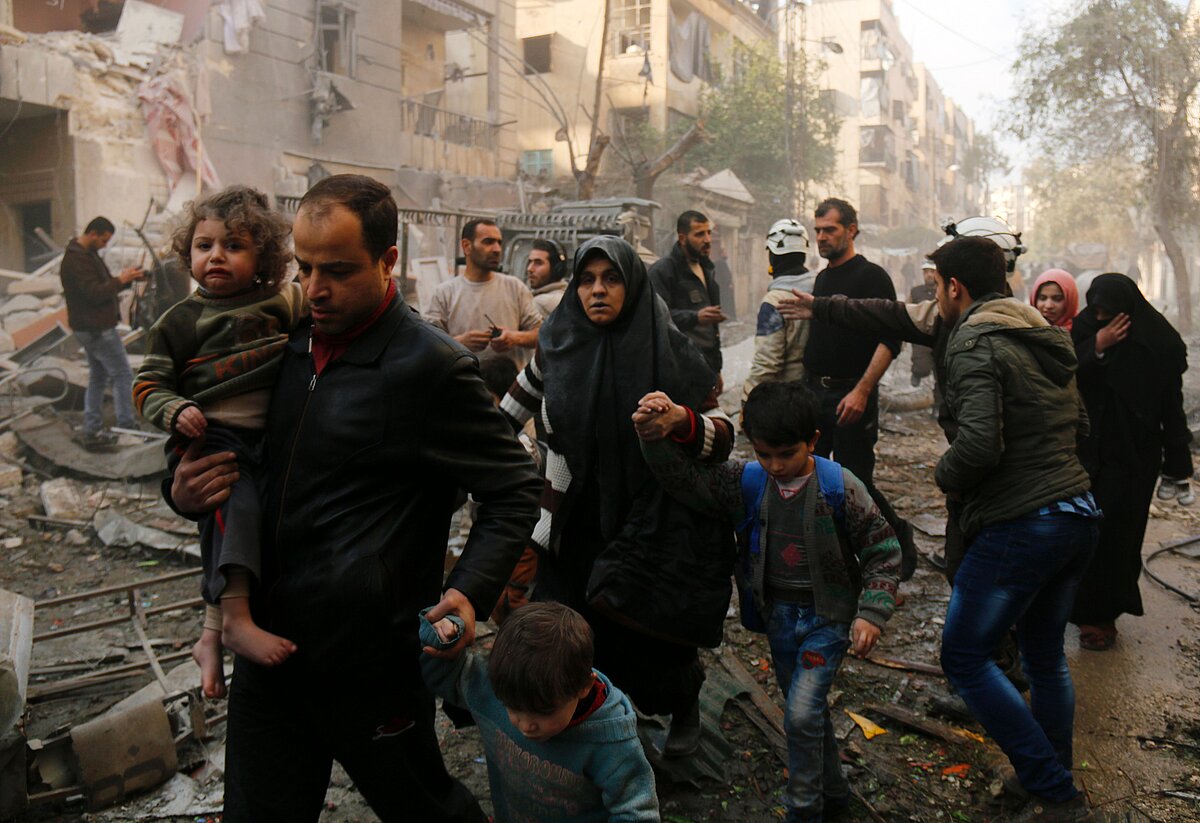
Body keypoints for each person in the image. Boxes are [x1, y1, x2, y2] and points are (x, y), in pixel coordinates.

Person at [167, 174, 542, 823]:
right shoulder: (272, 348)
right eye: (306, 267)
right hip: (270, 660)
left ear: (387, 260)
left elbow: (512, 487)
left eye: (336, 270)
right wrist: (180, 489)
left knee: (427, 809)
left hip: (373, 666)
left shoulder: (430, 367)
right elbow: (217, 450)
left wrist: (470, 590)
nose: (314, 288)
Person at [499, 235, 734, 758]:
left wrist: (683, 423)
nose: (597, 291)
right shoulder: (556, 342)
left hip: (650, 520)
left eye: (612, 279)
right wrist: (513, 461)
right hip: (571, 518)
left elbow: (724, 437)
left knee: (652, 632)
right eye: (587, 279)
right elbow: (504, 418)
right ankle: (595, 727)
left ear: (634, 285)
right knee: (569, 623)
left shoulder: (670, 349)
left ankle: (682, 704)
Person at [635, 380, 900, 823]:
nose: (775, 466)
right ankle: (835, 794)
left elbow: (882, 549)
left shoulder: (840, 487)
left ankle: (803, 810)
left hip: (826, 619)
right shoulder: (750, 481)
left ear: (813, 441)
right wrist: (655, 436)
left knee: (798, 715)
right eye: (765, 454)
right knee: (806, 711)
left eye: (786, 454)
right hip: (778, 619)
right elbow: (687, 482)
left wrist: (871, 612)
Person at [930, 236, 1098, 821]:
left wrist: (942, 474)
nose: (936, 295)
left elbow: (977, 444)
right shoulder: (1044, 333)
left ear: (955, 286)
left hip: (1023, 522)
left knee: (964, 657)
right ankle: (1051, 775)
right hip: (1076, 511)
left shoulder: (974, 336)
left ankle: (1054, 789)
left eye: (936, 284)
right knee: (1045, 655)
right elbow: (1078, 422)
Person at [134, 186, 306, 698]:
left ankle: (209, 637)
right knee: (239, 511)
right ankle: (233, 621)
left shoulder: (286, 301)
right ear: (187, 254)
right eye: (204, 246)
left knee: (245, 529)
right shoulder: (179, 321)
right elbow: (146, 385)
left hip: (266, 440)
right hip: (210, 436)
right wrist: (176, 409)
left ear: (265, 259)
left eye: (233, 246)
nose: (216, 256)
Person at [420, 602, 659, 822]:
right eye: (512, 709)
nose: (525, 725)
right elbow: (442, 673)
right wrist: (446, 635)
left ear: (584, 687)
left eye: (543, 712)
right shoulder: (499, 689)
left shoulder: (611, 743)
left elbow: (636, 811)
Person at [1070, 274, 1192, 651]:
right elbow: (1060, 373)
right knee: (1079, 535)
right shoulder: (1084, 329)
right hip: (1084, 453)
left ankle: (1101, 617)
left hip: (1134, 459)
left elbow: (1171, 409)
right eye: (1098, 310)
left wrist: (1177, 464)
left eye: (1110, 312)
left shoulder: (1158, 342)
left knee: (1118, 539)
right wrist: (1098, 347)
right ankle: (1075, 607)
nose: (1102, 317)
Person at [59, 216, 145, 448]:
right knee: (123, 374)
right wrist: (121, 280)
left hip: (89, 327)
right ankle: (126, 427)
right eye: (104, 240)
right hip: (96, 328)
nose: (106, 245)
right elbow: (94, 293)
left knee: (98, 377)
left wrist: (126, 279)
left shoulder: (86, 255)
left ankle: (92, 428)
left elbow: (103, 285)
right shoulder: (77, 259)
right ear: (93, 233)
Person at [425, 218, 542, 369]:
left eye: (499, 242)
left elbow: (541, 334)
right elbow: (426, 346)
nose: (497, 249)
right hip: (462, 387)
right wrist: (459, 343)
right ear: (466, 246)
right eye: (488, 242)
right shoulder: (445, 294)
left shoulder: (515, 287)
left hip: (508, 389)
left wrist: (515, 338)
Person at [741, 219, 816, 406]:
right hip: (816, 392)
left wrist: (747, 398)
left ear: (773, 256)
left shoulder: (774, 300)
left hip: (787, 399)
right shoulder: (820, 289)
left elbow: (767, 362)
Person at [648, 210, 727, 373]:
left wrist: (716, 369)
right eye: (699, 234)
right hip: (679, 367)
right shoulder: (663, 271)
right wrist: (695, 317)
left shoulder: (707, 268)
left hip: (707, 363)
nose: (707, 240)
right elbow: (657, 318)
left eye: (709, 233)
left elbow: (712, 329)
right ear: (682, 238)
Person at [909, 261, 937, 389]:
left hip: (941, 335)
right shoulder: (915, 292)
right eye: (926, 272)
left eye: (932, 272)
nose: (929, 275)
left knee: (943, 373)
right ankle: (917, 373)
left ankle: (938, 406)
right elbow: (907, 310)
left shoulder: (943, 290)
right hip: (921, 335)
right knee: (922, 367)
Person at [527, 238, 569, 319]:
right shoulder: (567, 296)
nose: (530, 269)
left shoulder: (540, 303)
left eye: (538, 263)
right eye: (529, 262)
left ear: (556, 269)